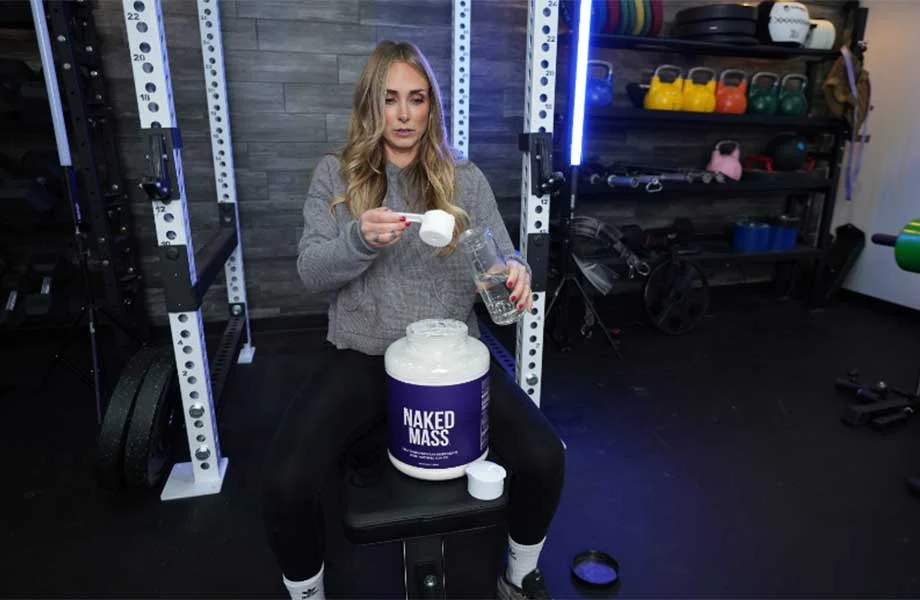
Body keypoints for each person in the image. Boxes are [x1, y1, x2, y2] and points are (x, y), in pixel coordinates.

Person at [262, 40, 566, 600]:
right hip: (362, 353)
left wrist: (515, 272)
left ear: (432, 107)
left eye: (416, 99)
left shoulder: (464, 179)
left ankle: (519, 577)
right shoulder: (337, 176)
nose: (403, 115)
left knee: (546, 457)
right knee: (285, 482)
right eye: (389, 99)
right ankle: (306, 595)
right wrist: (359, 238)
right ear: (370, 105)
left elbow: (503, 256)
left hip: (450, 360)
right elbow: (311, 271)